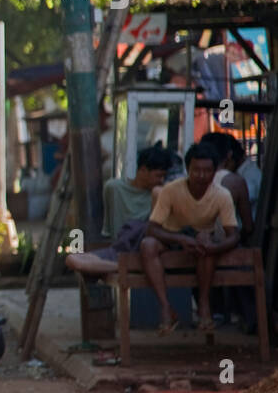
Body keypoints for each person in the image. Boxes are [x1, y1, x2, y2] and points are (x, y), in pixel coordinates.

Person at [139, 142, 240, 334]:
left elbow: (233, 235)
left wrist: (213, 248)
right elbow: (151, 229)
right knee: (147, 245)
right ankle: (166, 307)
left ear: (215, 171)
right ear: (188, 169)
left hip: (201, 245)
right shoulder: (170, 190)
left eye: (207, 171)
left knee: (205, 242)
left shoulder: (222, 195)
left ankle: (203, 304)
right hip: (172, 239)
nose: (201, 176)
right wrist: (180, 240)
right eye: (196, 170)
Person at [65, 145, 172, 277]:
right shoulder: (114, 188)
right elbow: (111, 230)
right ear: (143, 170)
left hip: (142, 249)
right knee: (72, 259)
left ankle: (124, 266)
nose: (161, 180)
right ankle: (124, 267)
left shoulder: (159, 193)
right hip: (120, 247)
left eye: (164, 177)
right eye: (158, 176)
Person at [200, 131, 254, 241]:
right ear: (229, 155)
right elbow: (248, 228)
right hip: (227, 249)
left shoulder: (191, 180)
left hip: (195, 249)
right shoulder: (236, 182)